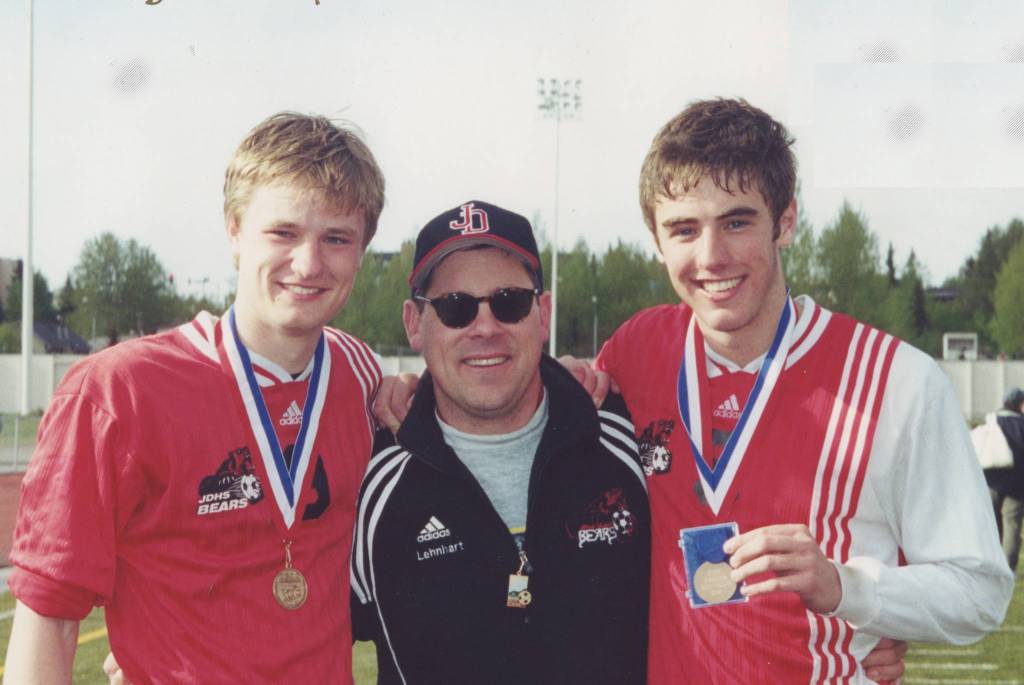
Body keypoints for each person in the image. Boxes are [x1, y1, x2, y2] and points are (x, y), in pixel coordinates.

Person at [584, 98, 1013, 683]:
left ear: (785, 221)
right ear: (657, 242)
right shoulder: (635, 353)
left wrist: (844, 586)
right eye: (684, 229)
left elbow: (980, 590)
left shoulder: (896, 381)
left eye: (737, 221)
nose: (710, 257)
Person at [4, 112, 386, 684]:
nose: (308, 264)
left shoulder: (360, 376)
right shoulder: (119, 394)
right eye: (283, 232)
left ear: (361, 252)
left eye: (336, 238)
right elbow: (49, 617)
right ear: (234, 230)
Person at [351, 201, 650, 684]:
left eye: (509, 301)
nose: (485, 328)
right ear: (414, 324)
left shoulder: (626, 441)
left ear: (543, 312)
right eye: (455, 308)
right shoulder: (370, 481)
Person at [984, 387, 1024, 572]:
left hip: (991, 479)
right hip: (1017, 484)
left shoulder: (993, 421)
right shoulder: (1022, 424)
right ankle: (1009, 568)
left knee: (991, 523)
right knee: (1012, 525)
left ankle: (992, 563)